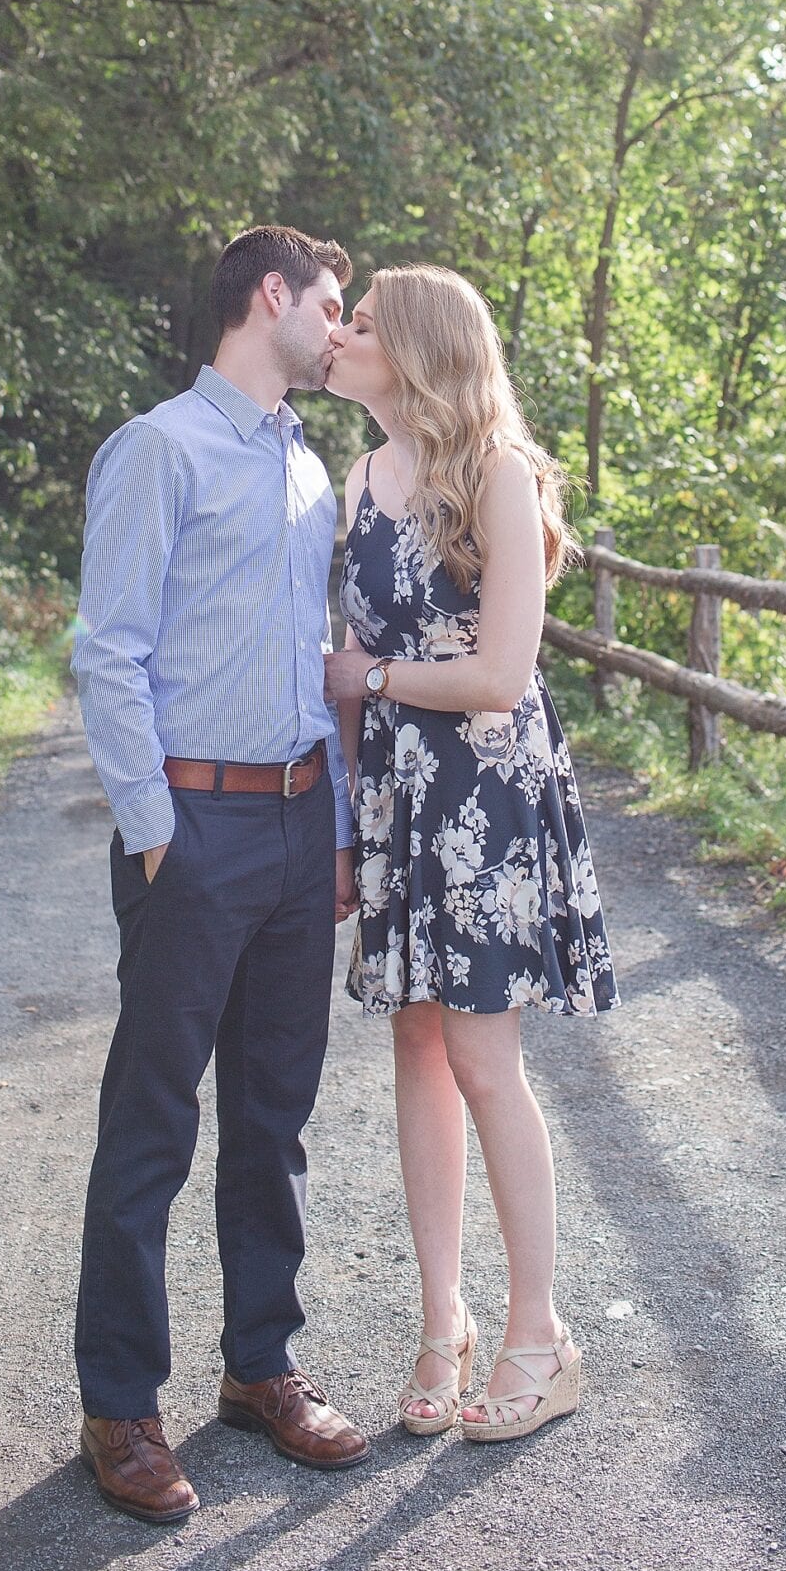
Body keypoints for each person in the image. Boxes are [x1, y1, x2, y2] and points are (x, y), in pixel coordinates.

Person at [71, 225, 369, 1523]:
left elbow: (313, 658)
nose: (340, 325)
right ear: (272, 297)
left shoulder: (310, 470)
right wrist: (153, 829)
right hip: (193, 829)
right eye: (332, 302)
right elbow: (109, 652)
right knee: (154, 1122)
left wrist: (342, 825)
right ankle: (120, 1407)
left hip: (302, 832)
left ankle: (262, 1367)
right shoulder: (159, 450)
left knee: (275, 1117)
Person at [323, 264, 616, 1443]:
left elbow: (500, 674)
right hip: (398, 795)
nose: (337, 336)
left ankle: (539, 1335)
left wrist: (377, 677)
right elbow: (344, 663)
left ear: (418, 348)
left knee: (486, 1061)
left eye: (360, 323)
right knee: (417, 1042)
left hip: (485, 795)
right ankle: (440, 1318)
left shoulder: (498, 474)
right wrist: (346, 824)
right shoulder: (359, 476)